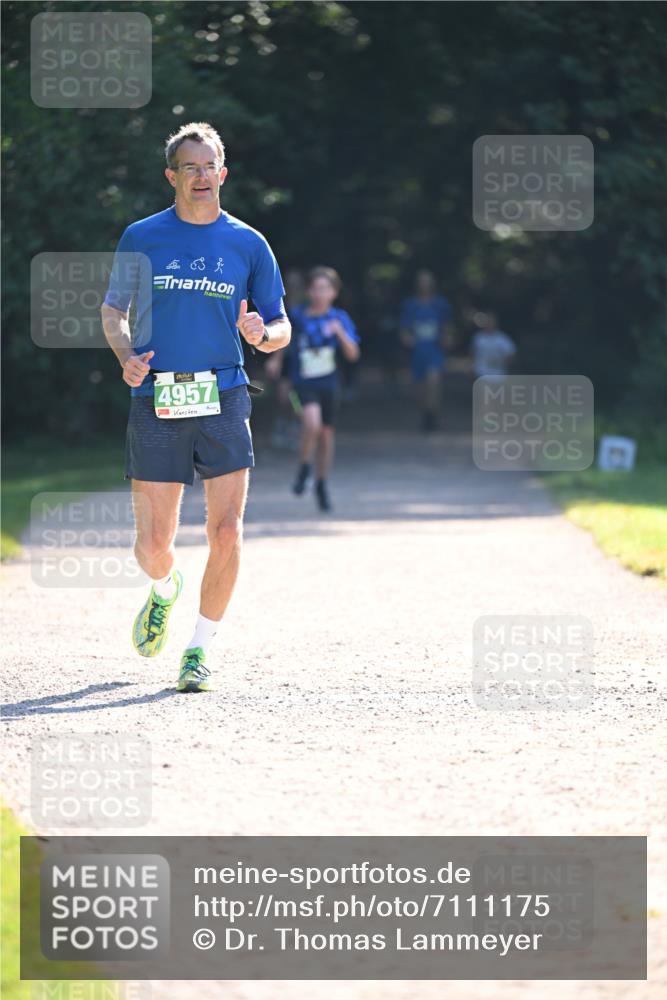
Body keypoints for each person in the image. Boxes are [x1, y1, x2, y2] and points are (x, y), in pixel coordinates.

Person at [100, 122, 291, 692]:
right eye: (191, 167)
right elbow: (114, 310)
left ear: (223, 174)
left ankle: (198, 650)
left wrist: (263, 334)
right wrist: (125, 354)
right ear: (172, 176)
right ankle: (164, 590)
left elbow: (281, 326)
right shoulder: (142, 236)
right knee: (154, 545)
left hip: (224, 394)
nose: (202, 176)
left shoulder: (249, 243)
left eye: (210, 166)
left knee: (227, 531)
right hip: (156, 393)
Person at [289, 267, 360, 512]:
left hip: (329, 383)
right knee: (312, 424)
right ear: (309, 291)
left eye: (325, 289)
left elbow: (353, 354)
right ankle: (303, 467)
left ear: (334, 292)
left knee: (327, 434)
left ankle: (321, 481)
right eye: (316, 288)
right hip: (303, 382)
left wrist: (339, 333)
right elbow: (284, 341)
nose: (320, 294)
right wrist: (276, 361)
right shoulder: (298, 316)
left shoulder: (340, 318)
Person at [399, 270, 453, 432]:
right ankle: (426, 412)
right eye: (421, 281)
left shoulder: (440, 304)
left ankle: (432, 417)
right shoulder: (410, 305)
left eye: (427, 281)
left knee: (433, 381)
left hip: (435, 351)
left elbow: (448, 326)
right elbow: (404, 330)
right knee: (421, 390)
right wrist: (408, 340)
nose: (424, 285)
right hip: (417, 352)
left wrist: (447, 339)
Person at [264, 267, 305, 449]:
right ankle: (283, 425)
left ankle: (298, 429)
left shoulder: (308, 306)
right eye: (290, 282)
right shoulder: (280, 304)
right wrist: (276, 358)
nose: (293, 286)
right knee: (283, 397)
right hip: (287, 357)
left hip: (305, 359)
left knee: (301, 398)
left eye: (296, 282)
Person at [471, 310, 516, 381]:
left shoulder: (502, 338)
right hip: (481, 375)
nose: (489, 323)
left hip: (497, 376)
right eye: (487, 320)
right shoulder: (478, 338)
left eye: (491, 321)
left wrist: (499, 362)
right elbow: (473, 354)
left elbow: (511, 355)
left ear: (495, 322)